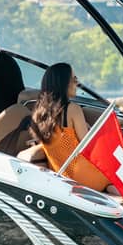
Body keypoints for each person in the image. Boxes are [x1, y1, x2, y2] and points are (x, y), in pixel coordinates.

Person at [28, 63, 114, 193]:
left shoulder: (39, 115)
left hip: (62, 175)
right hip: (83, 176)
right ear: (63, 83)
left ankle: (112, 187)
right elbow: (88, 146)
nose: (76, 83)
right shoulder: (73, 109)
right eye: (74, 79)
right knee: (113, 168)